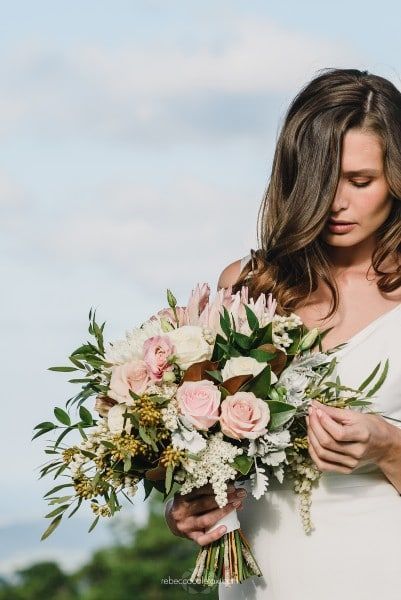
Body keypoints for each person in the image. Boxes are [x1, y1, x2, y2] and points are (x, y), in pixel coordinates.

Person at [165, 68, 401, 599]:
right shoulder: (247, 285)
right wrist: (186, 505)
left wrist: (389, 446)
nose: (338, 203)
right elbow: (202, 457)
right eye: (321, 182)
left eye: (361, 181)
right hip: (263, 578)